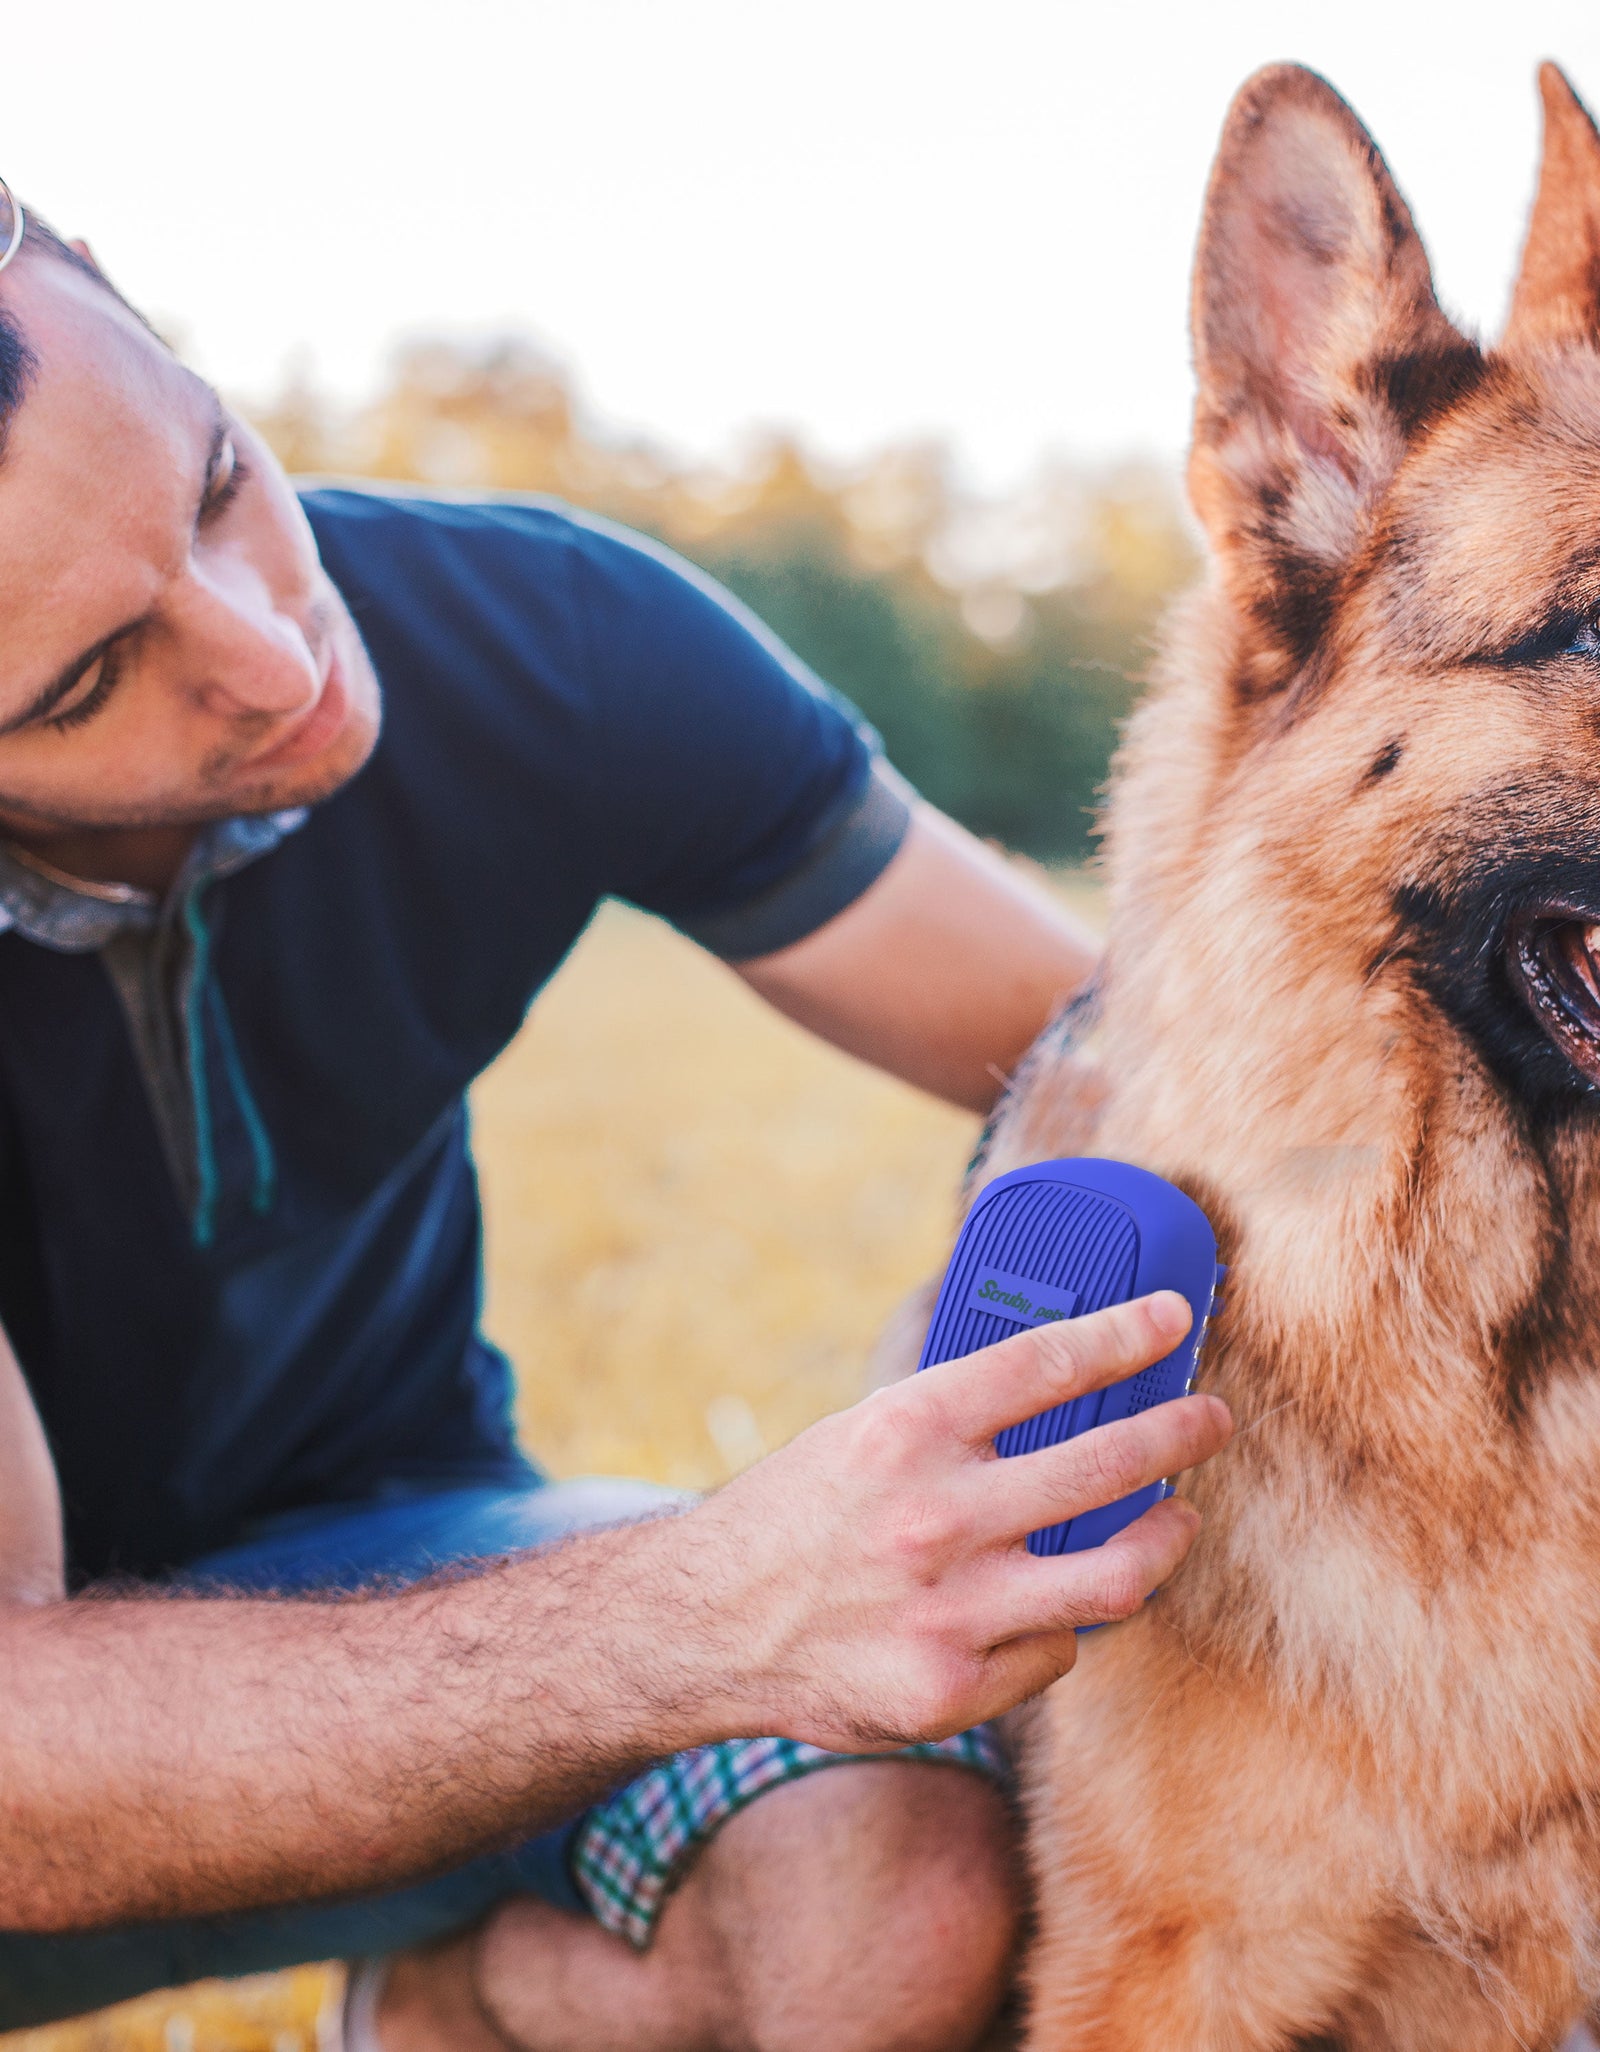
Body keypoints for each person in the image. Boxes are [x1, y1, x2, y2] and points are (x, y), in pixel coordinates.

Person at [0, 187, 1233, 2052]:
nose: (275, 656)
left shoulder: (533, 639)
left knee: (898, 1882)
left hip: (412, 1555)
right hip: (42, 1761)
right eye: (89, 680)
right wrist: (722, 1598)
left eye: (217, 487)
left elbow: (1132, 1042)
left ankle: (448, 2003)